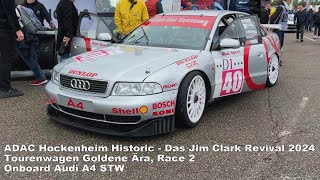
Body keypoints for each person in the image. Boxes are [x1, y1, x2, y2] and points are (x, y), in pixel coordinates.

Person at [16, 5, 48, 85]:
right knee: (30, 56)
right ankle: (40, 77)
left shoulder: (12, 8)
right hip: (26, 34)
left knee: (29, 57)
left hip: (21, 35)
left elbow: (16, 21)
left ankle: (40, 77)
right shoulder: (19, 7)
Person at [0, 0, 24, 99]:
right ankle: (5, 88)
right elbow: (10, 11)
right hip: (5, 29)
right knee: (7, 58)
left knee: (4, 58)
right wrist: (18, 29)